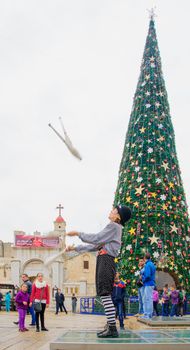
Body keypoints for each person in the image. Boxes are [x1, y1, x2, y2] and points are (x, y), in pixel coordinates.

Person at [65, 205, 131, 338]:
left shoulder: (113, 226)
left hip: (106, 261)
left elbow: (96, 238)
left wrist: (78, 234)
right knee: (104, 294)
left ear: (118, 216)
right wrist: (75, 248)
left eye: (114, 210)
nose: (111, 211)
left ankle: (112, 328)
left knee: (105, 294)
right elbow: (95, 246)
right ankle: (110, 325)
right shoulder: (114, 228)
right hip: (104, 260)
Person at [141, 253, 156, 319]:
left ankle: (148, 314)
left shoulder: (147, 265)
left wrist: (143, 280)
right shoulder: (152, 264)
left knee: (148, 299)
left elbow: (147, 275)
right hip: (151, 283)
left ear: (145, 258)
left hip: (148, 284)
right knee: (148, 299)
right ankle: (148, 314)